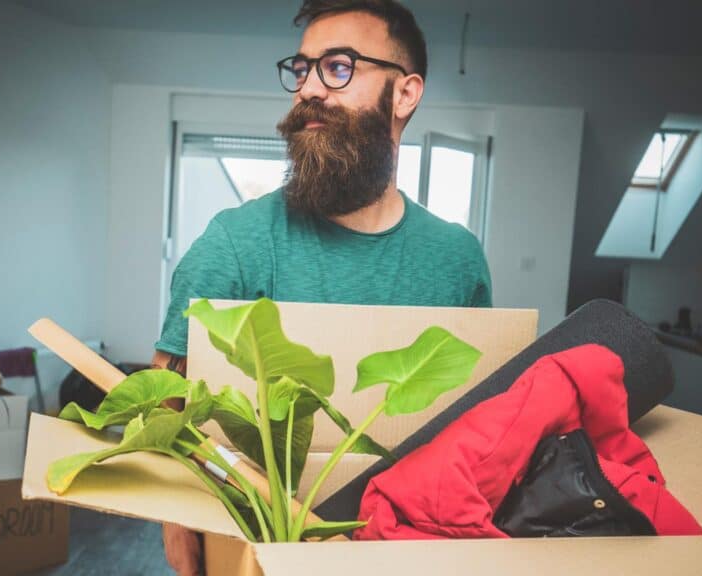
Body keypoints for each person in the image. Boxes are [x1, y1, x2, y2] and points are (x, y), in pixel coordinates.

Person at [152, 1, 492, 573]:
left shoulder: (458, 262)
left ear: (405, 94)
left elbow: (479, 431)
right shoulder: (234, 243)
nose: (308, 88)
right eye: (302, 69)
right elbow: (165, 409)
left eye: (338, 67)